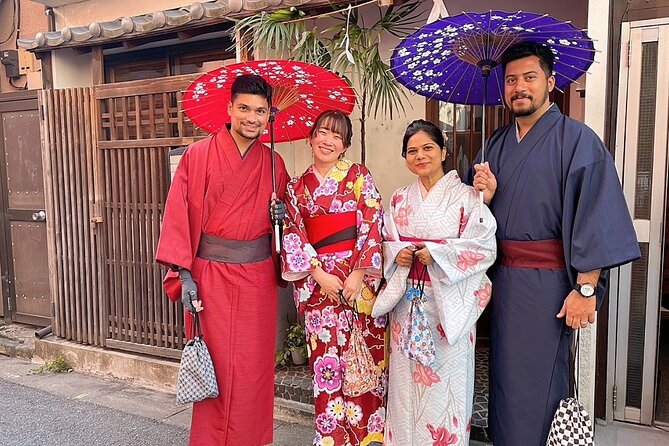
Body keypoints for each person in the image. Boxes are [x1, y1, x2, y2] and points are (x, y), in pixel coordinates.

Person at [469, 41, 640, 446]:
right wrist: (485, 198)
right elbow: (474, 221)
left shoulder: (578, 141)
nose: (519, 87)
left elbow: (596, 218)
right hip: (504, 284)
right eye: (511, 80)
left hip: (551, 289)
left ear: (550, 81)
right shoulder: (494, 145)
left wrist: (585, 288)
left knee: (543, 386)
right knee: (505, 384)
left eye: (529, 77)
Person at [155, 74, 289, 446]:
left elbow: (289, 230)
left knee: (252, 371)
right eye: (244, 108)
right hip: (209, 277)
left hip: (258, 278)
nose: (252, 117)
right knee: (214, 370)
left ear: (268, 116)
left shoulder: (275, 164)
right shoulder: (198, 156)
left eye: (260, 111)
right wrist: (184, 275)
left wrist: (282, 215)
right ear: (229, 109)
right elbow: (178, 216)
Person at [372, 119, 497, 445]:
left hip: (447, 308)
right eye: (412, 151)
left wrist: (439, 255)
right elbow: (386, 242)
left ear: (443, 151)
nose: (420, 156)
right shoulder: (399, 199)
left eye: (428, 148)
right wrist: (397, 255)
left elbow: (483, 247)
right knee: (403, 388)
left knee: (447, 385)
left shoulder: (469, 197)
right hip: (407, 305)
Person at [281, 110, 386, 446]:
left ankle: (368, 437)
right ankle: (330, 439)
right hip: (320, 289)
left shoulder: (359, 177)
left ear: (345, 146)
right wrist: (318, 274)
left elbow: (372, 224)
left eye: (336, 136)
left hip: (358, 289)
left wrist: (357, 273)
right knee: (326, 373)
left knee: (365, 371)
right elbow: (295, 234)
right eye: (322, 132)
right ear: (310, 137)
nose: (327, 140)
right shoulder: (295, 187)